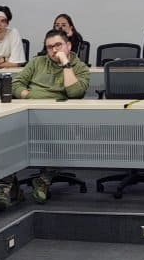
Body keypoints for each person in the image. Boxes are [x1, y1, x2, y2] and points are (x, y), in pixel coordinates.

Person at [10, 29, 90, 204]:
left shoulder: (80, 68)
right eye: (49, 47)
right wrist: (29, 96)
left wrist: (65, 64)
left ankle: (43, 181)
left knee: (59, 138)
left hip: (60, 119)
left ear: (69, 45)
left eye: (58, 45)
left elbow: (75, 93)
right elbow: (15, 84)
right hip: (29, 113)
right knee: (6, 134)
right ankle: (8, 185)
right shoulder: (37, 62)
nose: (54, 50)